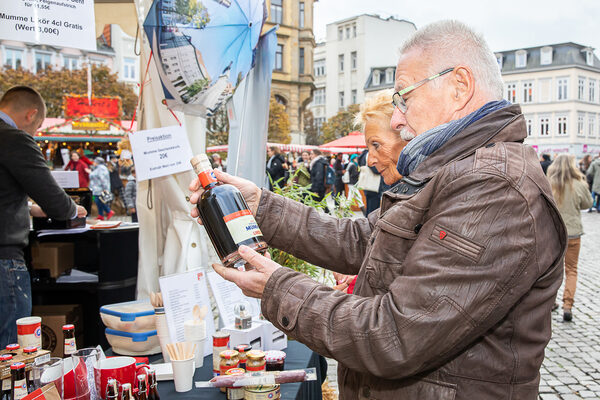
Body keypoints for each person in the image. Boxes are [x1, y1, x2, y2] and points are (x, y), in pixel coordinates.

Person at [189, 20, 566, 399]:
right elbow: (363, 241)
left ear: (459, 86)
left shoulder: (495, 186)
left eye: (405, 97)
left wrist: (277, 287)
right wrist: (261, 207)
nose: (398, 119)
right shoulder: (453, 169)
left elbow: (395, 335)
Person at [0, 86, 86, 347]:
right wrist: (75, 209)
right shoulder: (13, 138)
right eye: (37, 127)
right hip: (4, 260)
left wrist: (28, 209)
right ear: (31, 114)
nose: (34, 133)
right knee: (11, 351)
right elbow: (56, 202)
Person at [547, 155, 592, 322]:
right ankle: (568, 305)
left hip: (554, 233)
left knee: (552, 270)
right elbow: (588, 204)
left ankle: (551, 302)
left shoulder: (548, 183)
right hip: (572, 233)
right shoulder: (578, 183)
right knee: (571, 270)